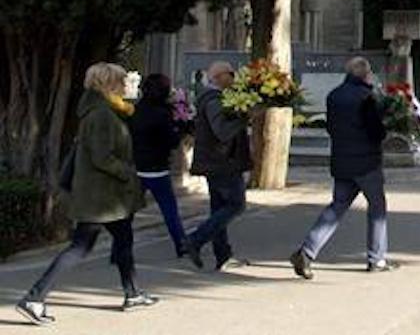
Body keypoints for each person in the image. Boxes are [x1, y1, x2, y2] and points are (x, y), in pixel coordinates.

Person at [17, 64, 157, 325]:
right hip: (102, 197)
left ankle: (133, 293)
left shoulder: (105, 110)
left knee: (123, 239)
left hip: (106, 196)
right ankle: (34, 297)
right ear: (108, 84)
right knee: (80, 247)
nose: (126, 85)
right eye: (121, 80)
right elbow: (101, 157)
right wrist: (127, 173)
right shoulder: (101, 114)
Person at [290, 57, 390, 279]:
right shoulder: (367, 98)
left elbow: (332, 128)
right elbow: (376, 131)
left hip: (342, 159)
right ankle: (376, 258)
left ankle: (307, 252)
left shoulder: (334, 95)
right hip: (367, 162)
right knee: (377, 207)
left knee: (337, 207)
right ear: (365, 74)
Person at [183, 61, 251, 271]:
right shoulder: (214, 100)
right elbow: (222, 132)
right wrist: (245, 118)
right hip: (222, 161)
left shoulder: (214, 98)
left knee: (219, 208)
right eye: (231, 75)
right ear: (220, 76)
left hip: (217, 161)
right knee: (235, 205)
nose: (233, 79)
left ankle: (223, 254)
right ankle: (195, 239)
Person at [128, 73, 186, 258]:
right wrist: (181, 130)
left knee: (128, 211)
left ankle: (120, 249)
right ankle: (181, 244)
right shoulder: (163, 113)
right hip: (158, 168)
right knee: (169, 209)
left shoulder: (135, 110)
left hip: (137, 166)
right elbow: (171, 141)